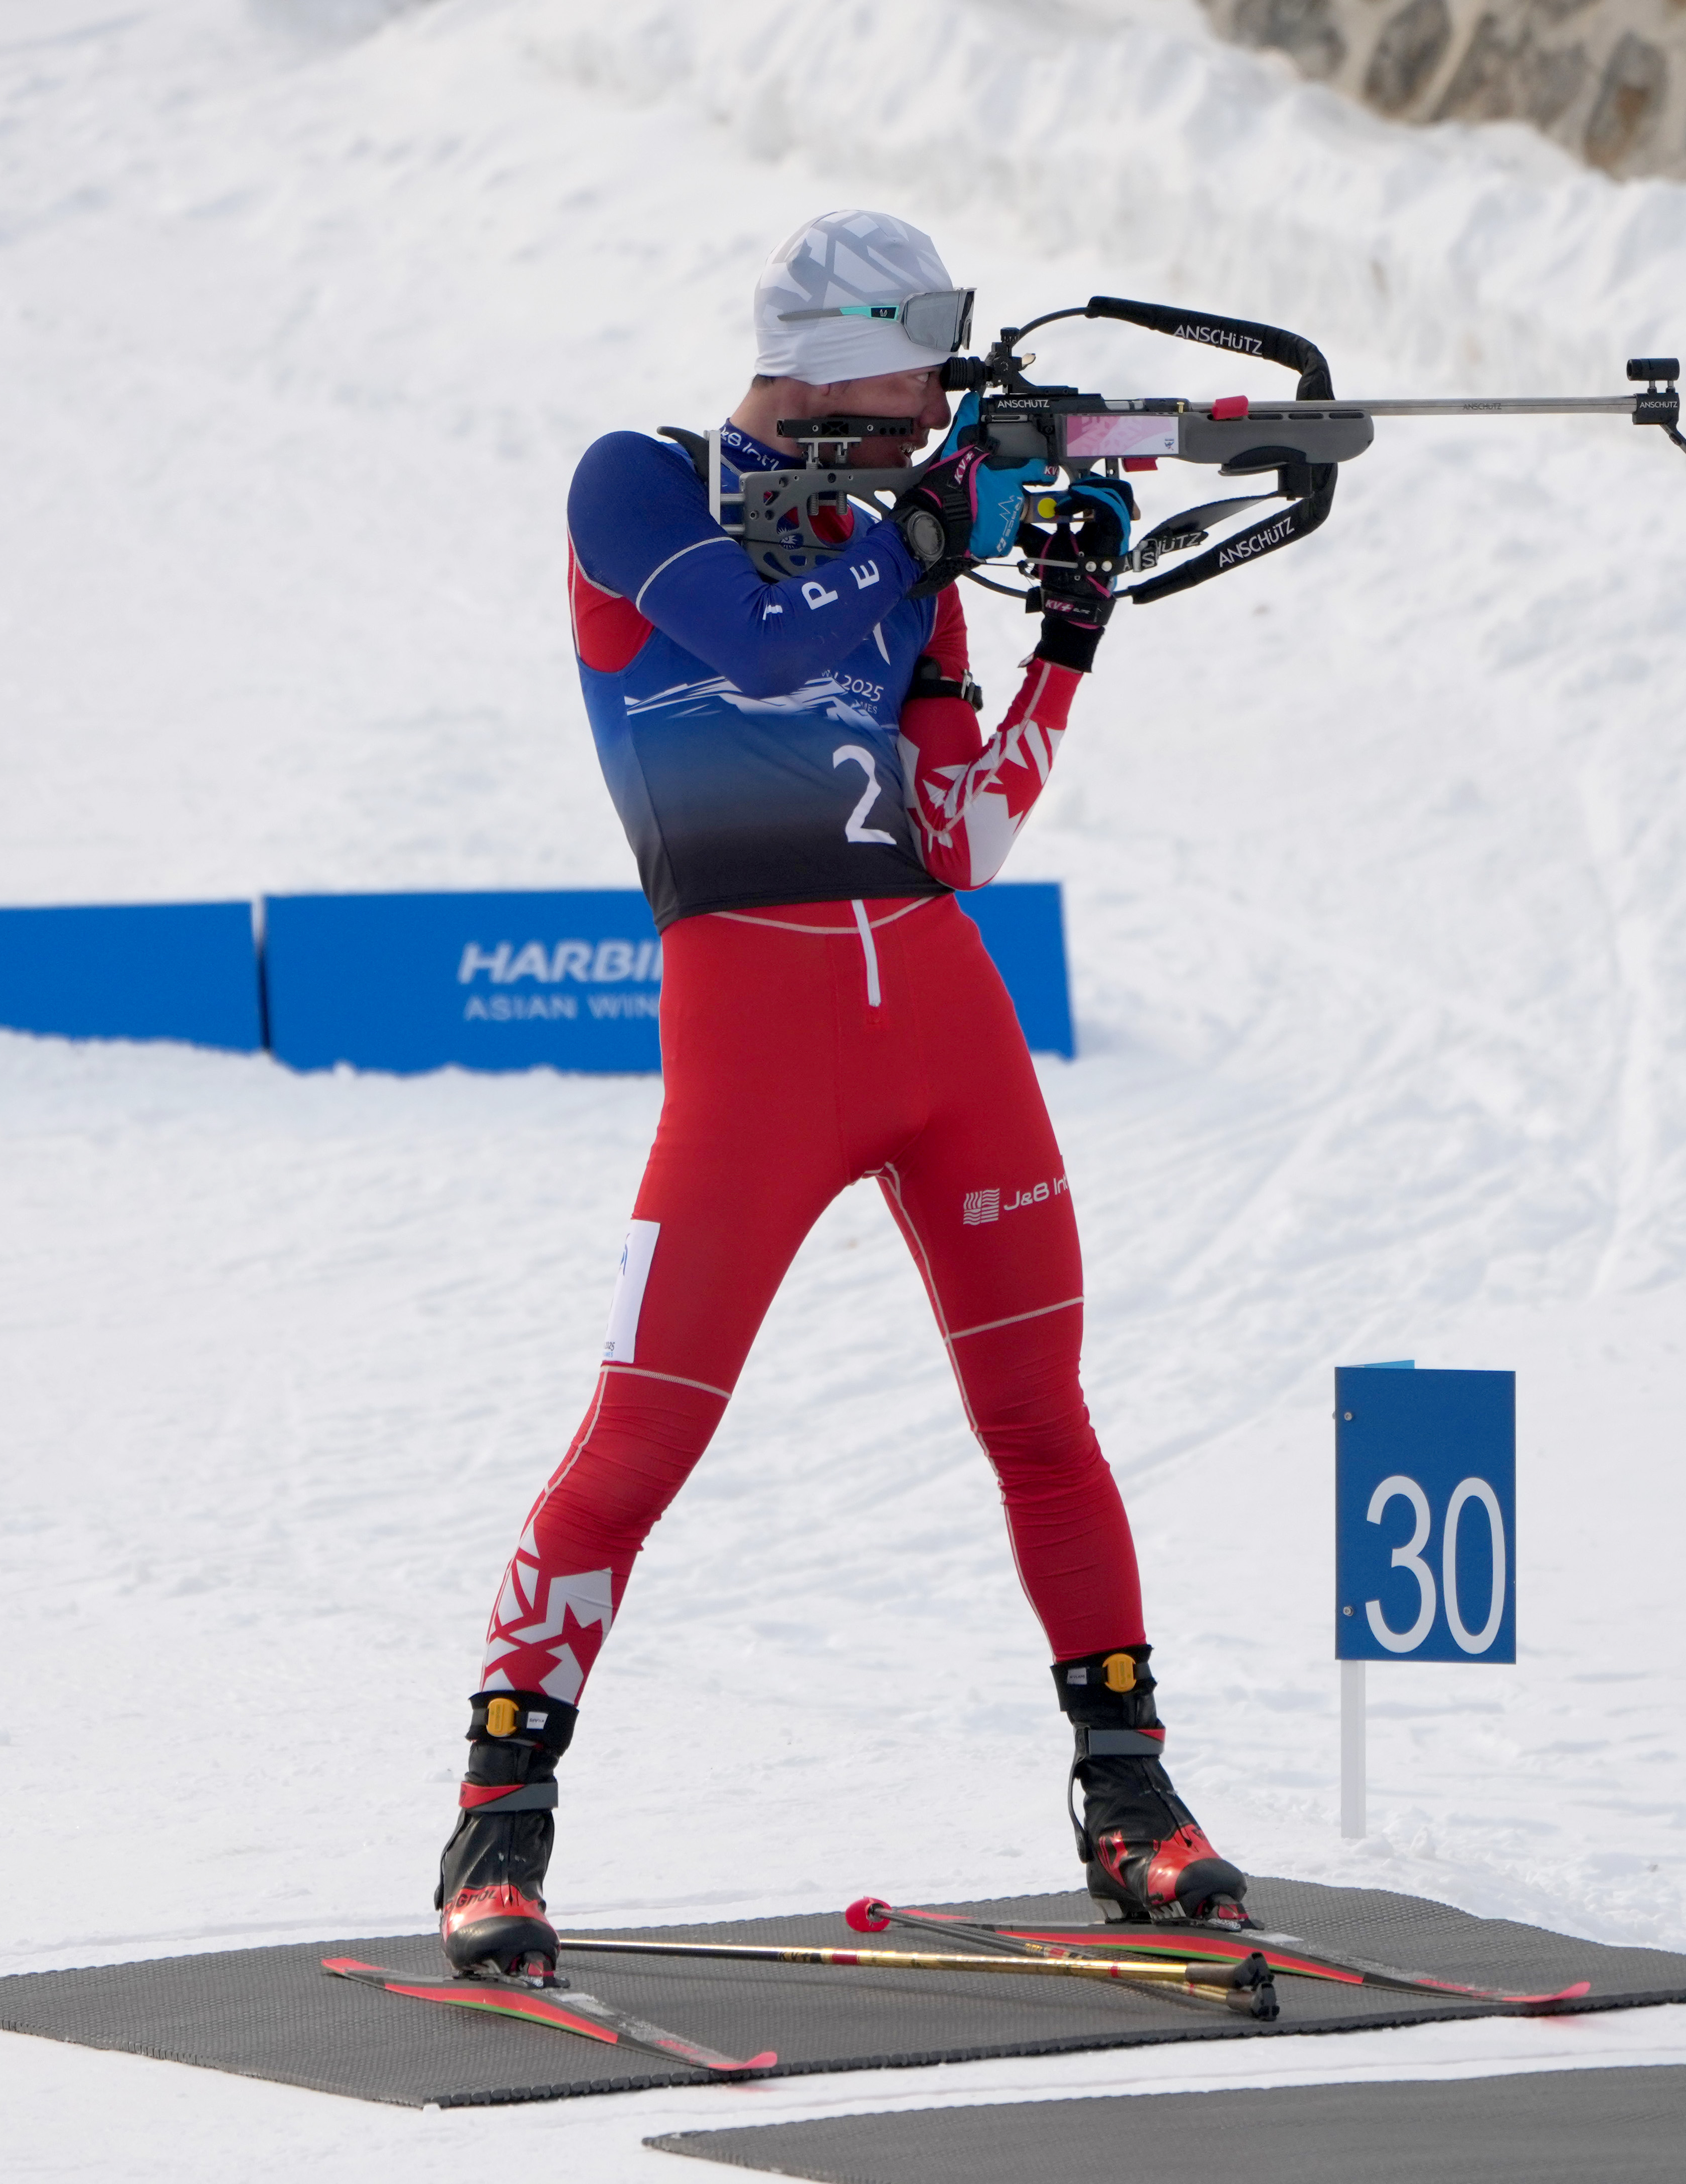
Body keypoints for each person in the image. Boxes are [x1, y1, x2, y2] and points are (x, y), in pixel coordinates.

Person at [432, 210, 1247, 1981]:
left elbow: (968, 837)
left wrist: (1074, 632)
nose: (940, 403)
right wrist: (945, 523)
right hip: (755, 1037)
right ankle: (501, 1822)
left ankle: (1132, 1797)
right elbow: (759, 635)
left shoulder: (901, 555)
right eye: (914, 374)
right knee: (644, 1432)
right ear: (821, 363)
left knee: (1045, 1419)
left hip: (941, 1022)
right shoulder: (637, 482)